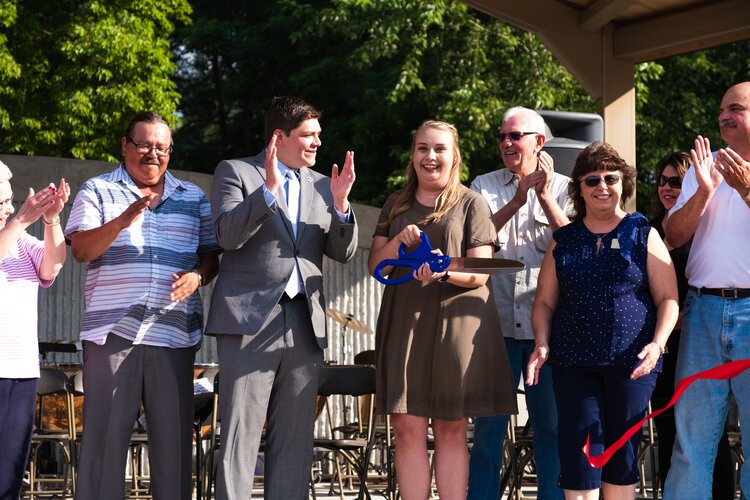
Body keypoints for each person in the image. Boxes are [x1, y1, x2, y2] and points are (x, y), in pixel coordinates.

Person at [206, 95, 357, 499]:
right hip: (249, 321)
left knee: (294, 439)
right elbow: (227, 236)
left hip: (305, 323)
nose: (317, 143)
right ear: (279, 136)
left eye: (318, 135)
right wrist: (267, 192)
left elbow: (341, 253)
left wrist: (341, 206)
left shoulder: (325, 185)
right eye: (308, 135)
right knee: (240, 435)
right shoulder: (235, 171)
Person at [65, 111, 221, 500]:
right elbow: (81, 250)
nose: (153, 153)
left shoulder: (193, 198)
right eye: (144, 145)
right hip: (112, 334)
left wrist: (199, 276)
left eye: (161, 147)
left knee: (173, 446)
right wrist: (121, 221)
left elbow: (210, 257)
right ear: (125, 146)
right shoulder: (97, 190)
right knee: (104, 442)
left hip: (173, 334)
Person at [368, 120, 517, 500]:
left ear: (455, 157)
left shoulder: (472, 203)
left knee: (451, 426)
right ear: (413, 154)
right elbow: (375, 266)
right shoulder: (396, 203)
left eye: (439, 149)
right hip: (405, 324)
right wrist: (400, 243)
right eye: (422, 148)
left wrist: (441, 270)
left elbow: (481, 273)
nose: (430, 156)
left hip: (457, 325)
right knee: (406, 426)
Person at [526, 142, 678, 499]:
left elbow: (669, 299)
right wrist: (542, 343)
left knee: (620, 458)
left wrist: (657, 345)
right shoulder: (563, 240)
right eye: (592, 180)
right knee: (579, 458)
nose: (602, 186)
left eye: (611, 178)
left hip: (632, 365)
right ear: (579, 187)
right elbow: (545, 302)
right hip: (573, 363)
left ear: (623, 183)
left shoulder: (642, 231)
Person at [469, 107, 567, 500]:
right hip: (493, 329)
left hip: (549, 332)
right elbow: (473, 240)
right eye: (502, 136)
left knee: (552, 428)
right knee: (489, 428)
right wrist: (517, 199)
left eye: (516, 136)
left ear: (539, 142)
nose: (506, 143)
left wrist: (541, 197)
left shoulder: (566, 187)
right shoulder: (483, 184)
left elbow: (575, 244)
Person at [663, 81, 750, 499]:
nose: (723, 116)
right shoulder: (705, 167)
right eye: (721, 109)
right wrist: (705, 190)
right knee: (691, 442)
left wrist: (747, 190)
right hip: (702, 312)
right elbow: (673, 235)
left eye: (735, 108)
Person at [648, 151, 734, 498]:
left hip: (703, 338)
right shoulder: (650, 229)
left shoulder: (707, 229)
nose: (668, 188)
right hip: (663, 346)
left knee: (709, 431)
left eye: (676, 181)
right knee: (670, 428)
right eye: (662, 181)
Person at [0, 161, 68, 499]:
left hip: (19, 372)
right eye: (0, 203)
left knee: (9, 471)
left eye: (10, 200)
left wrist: (51, 219)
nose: (9, 209)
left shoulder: (22, 241)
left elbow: (53, 263)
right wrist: (22, 218)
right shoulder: (14, 229)